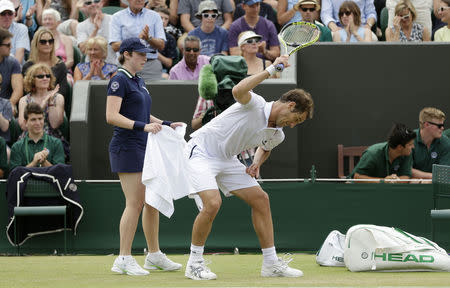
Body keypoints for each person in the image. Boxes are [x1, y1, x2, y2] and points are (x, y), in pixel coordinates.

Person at [184, 55, 312, 280]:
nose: (292, 125)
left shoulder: (278, 134)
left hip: (227, 159)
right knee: (213, 203)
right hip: (202, 151)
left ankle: (271, 263)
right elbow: (238, 90)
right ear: (290, 105)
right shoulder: (256, 104)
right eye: (296, 119)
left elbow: (266, 145)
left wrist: (256, 163)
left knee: (261, 199)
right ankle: (194, 263)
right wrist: (271, 69)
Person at [106, 37, 182, 275]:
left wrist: (167, 124)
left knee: (152, 202)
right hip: (126, 147)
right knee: (135, 203)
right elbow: (111, 116)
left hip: (144, 147)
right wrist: (142, 127)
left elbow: (145, 114)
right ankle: (123, 258)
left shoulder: (138, 81)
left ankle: (154, 254)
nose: (145, 58)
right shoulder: (119, 79)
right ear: (127, 54)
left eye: (146, 54)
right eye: (140, 54)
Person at [19, 64, 68, 158]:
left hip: (51, 137)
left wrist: (50, 102)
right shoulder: (24, 100)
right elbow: (24, 126)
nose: (45, 78)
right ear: (32, 79)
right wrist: (42, 104)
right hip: (29, 136)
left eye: (48, 76)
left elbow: (55, 124)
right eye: (40, 76)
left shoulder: (58, 97)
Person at [109, 0, 166, 82]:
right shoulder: (117, 17)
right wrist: (136, 39)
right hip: (127, 64)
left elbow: (161, 45)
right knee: (125, 93)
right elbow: (115, 46)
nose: (139, 0)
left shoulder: (155, 16)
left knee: (153, 93)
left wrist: (148, 38)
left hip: (150, 65)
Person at [22, 28, 71, 117]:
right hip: (32, 106)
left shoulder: (60, 65)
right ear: (36, 44)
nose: (47, 44)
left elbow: (62, 91)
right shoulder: (28, 66)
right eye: (43, 42)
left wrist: (48, 99)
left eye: (50, 41)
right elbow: (26, 90)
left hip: (54, 104)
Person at [349, 123, 416, 183]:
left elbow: (406, 176)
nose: (413, 147)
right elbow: (357, 177)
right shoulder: (372, 154)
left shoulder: (407, 153)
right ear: (400, 147)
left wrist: (395, 181)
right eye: (410, 145)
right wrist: (383, 181)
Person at [10, 102, 65, 171]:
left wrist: (44, 162)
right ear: (25, 122)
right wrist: (33, 163)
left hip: (49, 182)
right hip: (27, 182)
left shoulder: (56, 143)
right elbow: (15, 176)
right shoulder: (17, 147)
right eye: (33, 120)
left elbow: (60, 173)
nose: (38, 123)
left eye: (40, 119)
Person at [411, 107, 450, 179]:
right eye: (439, 126)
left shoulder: (446, 142)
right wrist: (432, 177)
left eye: (443, 125)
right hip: (412, 186)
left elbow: (444, 173)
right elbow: (406, 170)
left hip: (436, 186)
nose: (442, 128)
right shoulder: (409, 140)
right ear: (426, 125)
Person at [76, 0, 117, 65]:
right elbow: (83, 49)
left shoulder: (114, 20)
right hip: (91, 66)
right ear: (84, 6)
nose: (93, 4)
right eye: (88, 3)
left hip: (113, 64)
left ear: (102, 3)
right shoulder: (81, 26)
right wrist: (96, 29)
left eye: (96, 1)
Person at [0, 27, 22, 114]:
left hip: (4, 105)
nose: (11, 47)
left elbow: (18, 90)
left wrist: (8, 105)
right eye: (8, 45)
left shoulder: (13, 62)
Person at [154, 6, 177, 79]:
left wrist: (154, 53)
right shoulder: (145, 35)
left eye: (166, 19)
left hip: (162, 71)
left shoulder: (170, 39)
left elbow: (169, 63)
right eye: (160, 18)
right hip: (142, 68)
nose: (163, 21)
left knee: (166, 77)